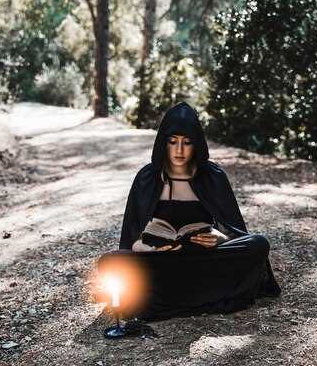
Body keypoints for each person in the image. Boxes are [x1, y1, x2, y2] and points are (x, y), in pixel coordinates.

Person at [97, 102, 281, 321]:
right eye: (173, 142)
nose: (179, 150)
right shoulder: (147, 178)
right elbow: (132, 238)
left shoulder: (212, 176)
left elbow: (234, 231)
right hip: (161, 263)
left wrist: (219, 239)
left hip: (203, 262)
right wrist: (147, 249)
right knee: (110, 261)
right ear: (163, 144)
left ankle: (169, 298)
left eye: (187, 142)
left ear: (197, 145)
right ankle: (201, 296)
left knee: (259, 244)